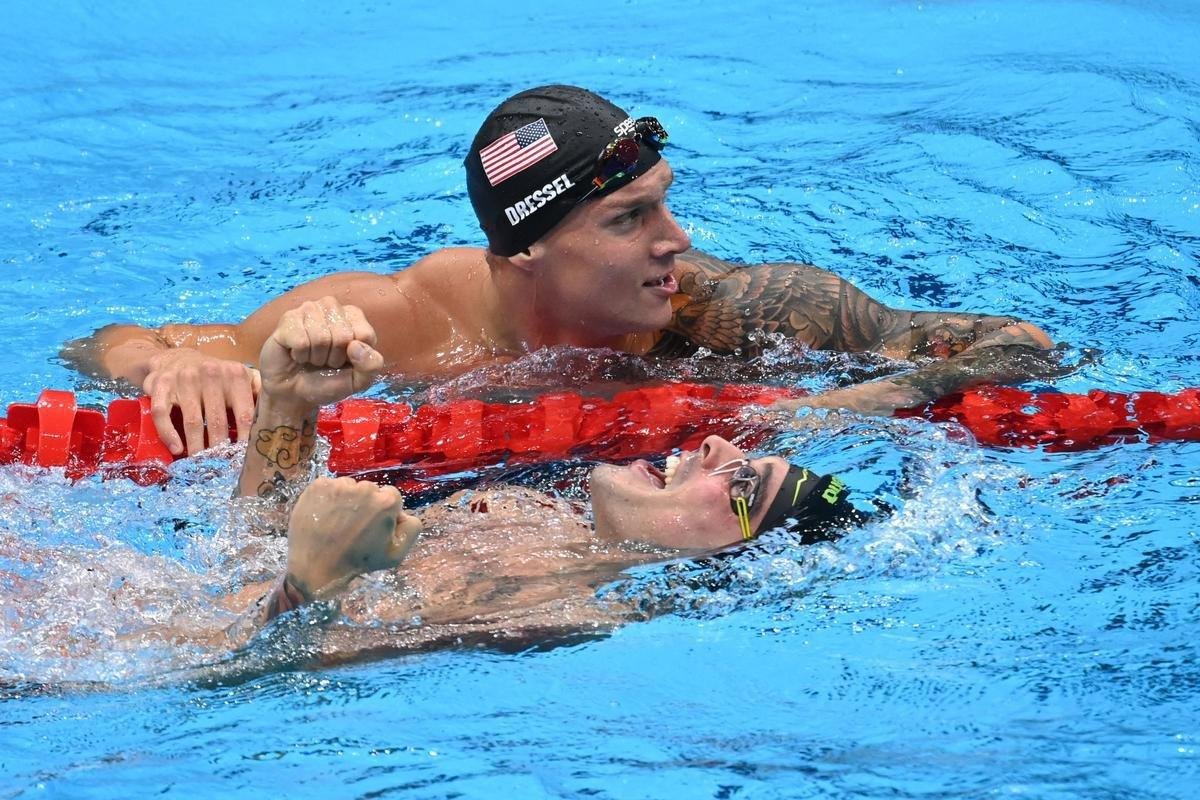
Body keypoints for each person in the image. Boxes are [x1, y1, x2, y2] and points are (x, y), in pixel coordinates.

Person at [63, 84, 1055, 456]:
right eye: (631, 218)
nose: (676, 236)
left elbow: (1022, 348)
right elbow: (100, 340)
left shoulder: (737, 311)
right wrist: (165, 367)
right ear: (526, 250)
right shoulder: (405, 323)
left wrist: (844, 406)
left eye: (665, 199)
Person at [226, 299, 866, 653]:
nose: (716, 444)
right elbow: (256, 545)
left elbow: (251, 671)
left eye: (742, 487)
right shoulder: (547, 523)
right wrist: (289, 405)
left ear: (731, 555)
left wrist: (309, 590)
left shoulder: (549, 607)